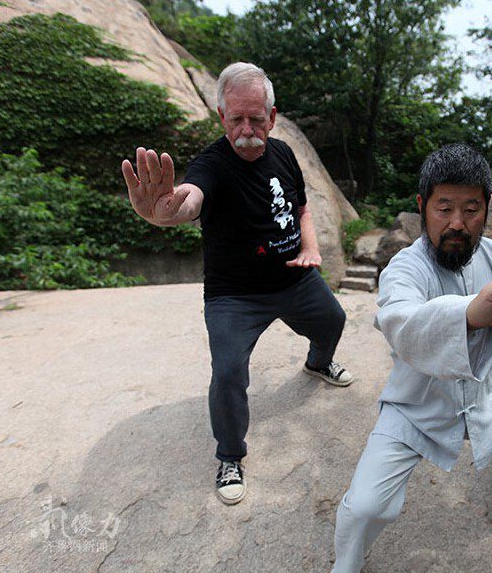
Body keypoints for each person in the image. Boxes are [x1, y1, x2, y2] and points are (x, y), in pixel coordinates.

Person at [314, 144, 492, 573]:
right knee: (368, 507)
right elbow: (401, 322)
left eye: (471, 209)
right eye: (444, 207)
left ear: (487, 209)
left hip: (486, 397)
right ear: (422, 208)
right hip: (416, 408)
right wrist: (472, 313)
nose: (457, 223)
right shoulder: (405, 268)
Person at [121, 62, 353, 506]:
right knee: (228, 373)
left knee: (333, 319)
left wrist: (310, 249)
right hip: (235, 295)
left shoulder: (283, 153)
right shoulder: (211, 164)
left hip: (293, 276)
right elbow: (190, 197)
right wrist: (165, 211)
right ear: (221, 117)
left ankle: (318, 363)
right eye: (235, 119)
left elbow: (302, 209)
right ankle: (230, 455)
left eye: (255, 118)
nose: (246, 129)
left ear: (272, 116)